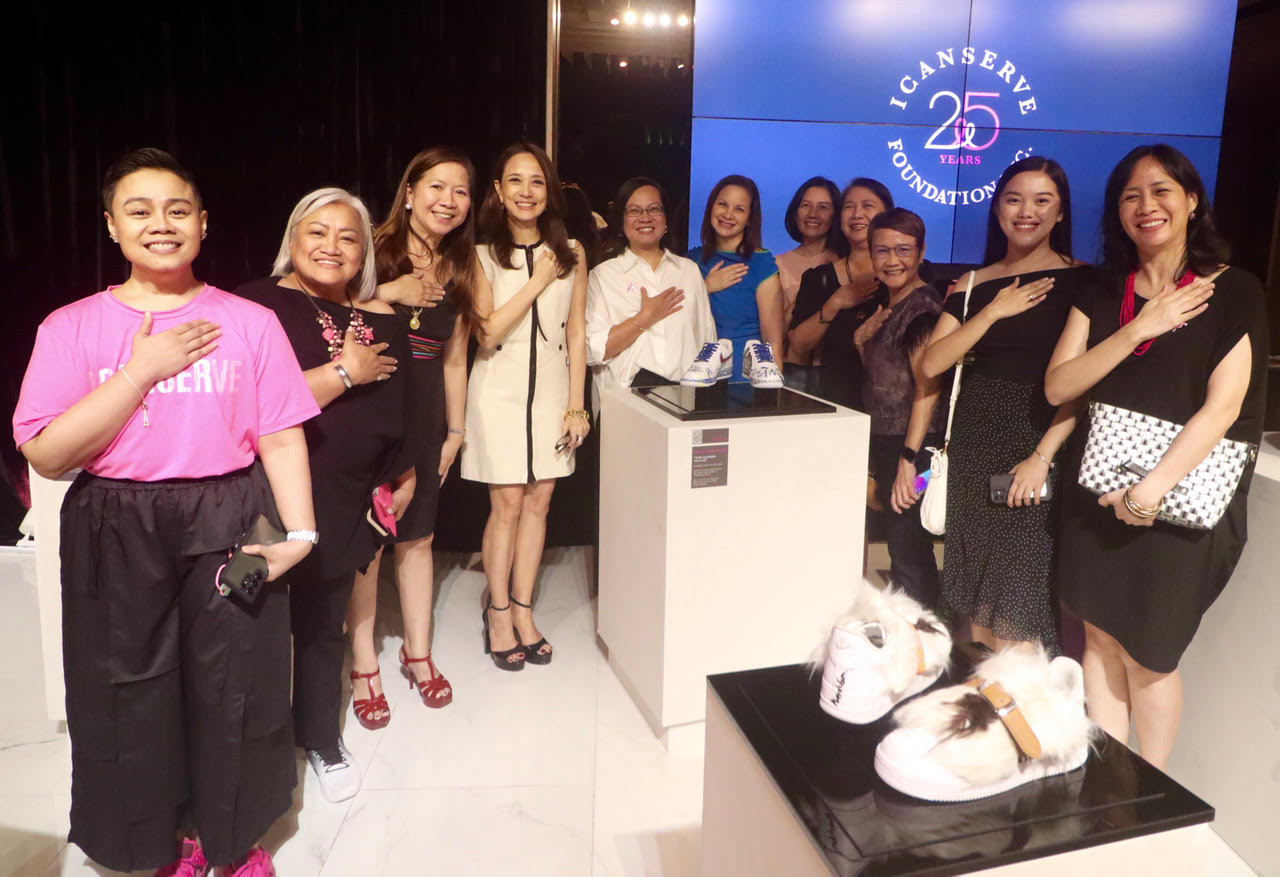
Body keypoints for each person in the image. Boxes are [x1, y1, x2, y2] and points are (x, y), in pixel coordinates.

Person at [13, 148, 318, 874]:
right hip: (114, 522)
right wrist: (140, 371)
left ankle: (232, 837)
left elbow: (280, 436)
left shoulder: (249, 322)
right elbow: (47, 453)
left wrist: (302, 533)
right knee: (125, 690)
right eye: (140, 210)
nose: (161, 224)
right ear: (112, 226)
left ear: (203, 223)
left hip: (230, 511)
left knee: (236, 680)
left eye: (177, 210)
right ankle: (152, 841)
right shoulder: (70, 327)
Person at [1045, 145, 1267, 770]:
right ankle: (1107, 782)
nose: (1146, 206)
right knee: (1098, 638)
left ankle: (1148, 790)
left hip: (1176, 499)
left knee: (1150, 655)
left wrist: (1149, 492)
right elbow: (1059, 386)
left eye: (1161, 190)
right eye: (1130, 196)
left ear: (1192, 200)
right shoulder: (1101, 289)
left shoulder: (1234, 290)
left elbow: (1224, 409)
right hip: (1096, 493)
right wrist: (1140, 326)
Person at [237, 187, 411, 803]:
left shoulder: (380, 317)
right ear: (293, 238)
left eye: (348, 237)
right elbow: (252, 404)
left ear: (364, 251)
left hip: (345, 496)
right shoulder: (254, 305)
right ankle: (249, 750)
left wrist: (399, 473)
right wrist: (344, 372)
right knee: (250, 622)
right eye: (318, 231)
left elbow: (400, 407)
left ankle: (321, 738)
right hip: (260, 498)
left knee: (321, 627)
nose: (332, 246)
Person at [920, 157, 1093, 654]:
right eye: (1014, 200)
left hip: (1035, 441)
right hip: (975, 441)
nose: (1026, 212)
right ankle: (989, 690)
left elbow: (1083, 383)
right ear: (997, 210)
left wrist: (1043, 456)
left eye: (1042, 200)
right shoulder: (974, 283)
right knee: (976, 579)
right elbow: (932, 363)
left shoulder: (1085, 281)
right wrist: (993, 311)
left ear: (1061, 212)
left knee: (1021, 584)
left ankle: (1023, 696)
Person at [336, 148, 480, 718]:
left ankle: (418, 654)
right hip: (371, 413)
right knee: (370, 544)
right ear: (411, 192)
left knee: (418, 539)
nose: (449, 201)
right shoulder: (373, 247)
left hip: (425, 419)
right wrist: (389, 294)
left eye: (461, 191)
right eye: (437, 187)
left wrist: (455, 432)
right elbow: (325, 305)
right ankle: (364, 663)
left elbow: (455, 357)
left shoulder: (461, 265)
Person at [461, 142, 588, 671]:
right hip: (498, 390)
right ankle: (497, 613)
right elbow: (487, 333)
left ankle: (524, 609)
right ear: (498, 190)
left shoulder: (573, 251)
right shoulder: (481, 254)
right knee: (508, 504)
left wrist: (577, 405)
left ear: (550, 191)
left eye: (537, 181)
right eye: (515, 180)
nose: (526, 191)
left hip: (553, 392)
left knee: (540, 501)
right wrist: (538, 280)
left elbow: (576, 332)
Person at [853, 208, 945, 605]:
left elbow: (929, 388)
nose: (892, 260)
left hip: (915, 452)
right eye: (882, 250)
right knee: (900, 542)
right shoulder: (891, 303)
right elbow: (886, 377)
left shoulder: (922, 308)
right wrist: (861, 342)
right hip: (891, 444)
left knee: (908, 546)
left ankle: (925, 634)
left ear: (921, 252)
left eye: (903, 250)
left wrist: (909, 460)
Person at [586, 176, 716, 406]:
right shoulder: (603, 276)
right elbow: (590, 351)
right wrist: (644, 318)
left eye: (654, 209)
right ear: (621, 221)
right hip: (623, 406)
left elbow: (707, 341)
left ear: (666, 219)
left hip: (684, 405)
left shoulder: (688, 271)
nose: (645, 217)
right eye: (634, 211)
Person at [786, 178, 893, 408]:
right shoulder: (818, 278)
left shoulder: (902, 273)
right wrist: (836, 302)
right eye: (849, 207)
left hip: (890, 402)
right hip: (836, 401)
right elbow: (798, 345)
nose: (857, 214)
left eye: (867, 206)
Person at [686, 174, 784, 380]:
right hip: (695, 377)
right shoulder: (691, 261)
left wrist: (773, 391)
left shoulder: (761, 264)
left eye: (739, 209)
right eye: (723, 204)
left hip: (743, 380)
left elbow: (772, 343)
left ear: (749, 219)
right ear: (711, 207)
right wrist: (705, 287)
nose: (728, 215)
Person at [774, 176, 843, 335]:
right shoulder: (775, 265)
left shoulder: (845, 262)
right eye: (805, 205)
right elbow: (774, 333)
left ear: (836, 215)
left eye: (823, 207)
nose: (813, 214)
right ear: (795, 213)